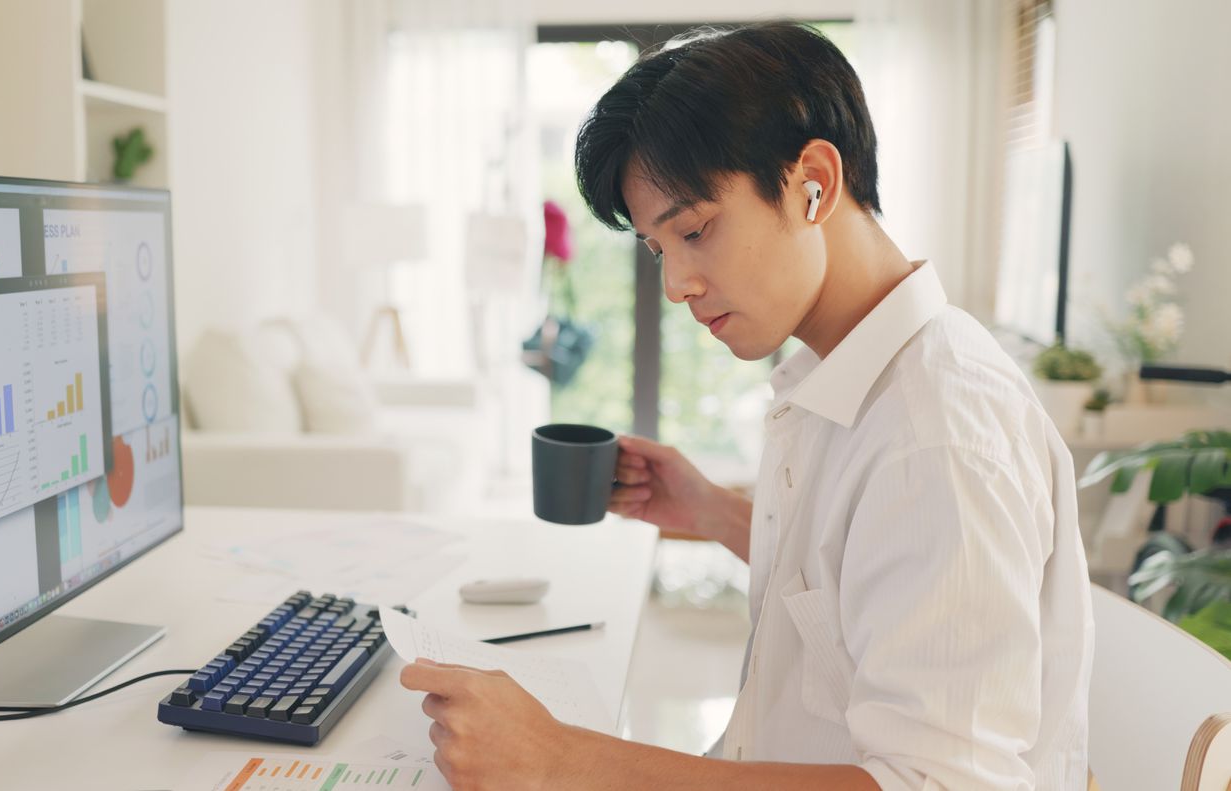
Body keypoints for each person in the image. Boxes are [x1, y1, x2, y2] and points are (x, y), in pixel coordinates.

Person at [399, 21, 1093, 790]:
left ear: (814, 184)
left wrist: (568, 762)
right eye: (660, 250)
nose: (676, 285)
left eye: (694, 229)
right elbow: (863, 586)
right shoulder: (852, 375)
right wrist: (711, 512)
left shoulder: (939, 437)